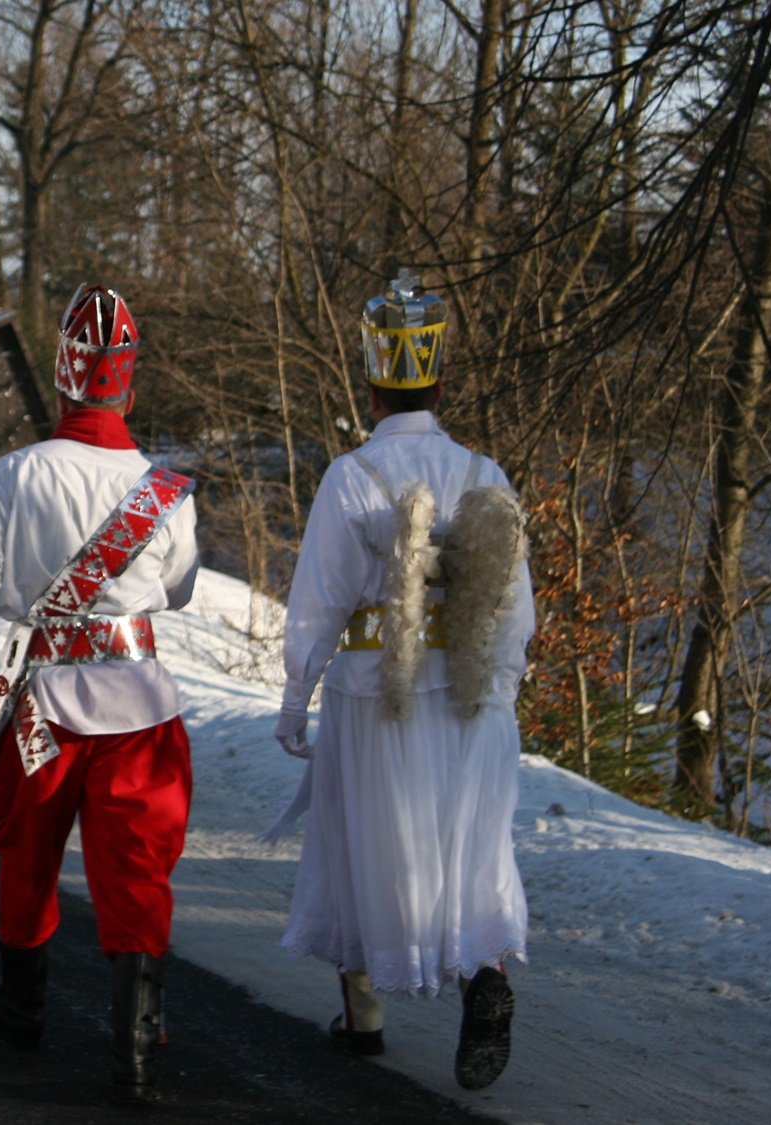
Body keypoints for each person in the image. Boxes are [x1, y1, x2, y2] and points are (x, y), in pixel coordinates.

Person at [0, 284, 199, 1105]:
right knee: (136, 868)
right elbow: (182, 589)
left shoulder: (16, 476)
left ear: (63, 376)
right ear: (127, 380)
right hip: (140, 700)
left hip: (46, 704)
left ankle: (22, 1005)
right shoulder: (164, 490)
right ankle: (134, 1047)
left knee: (27, 852)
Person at [269, 270, 535, 1091]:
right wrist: (504, 686)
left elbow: (319, 602)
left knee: (361, 847)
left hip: (374, 692)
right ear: (440, 380)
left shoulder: (351, 476)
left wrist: (293, 696)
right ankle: (484, 974)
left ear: (372, 381)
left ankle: (365, 1019)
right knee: (469, 845)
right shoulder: (486, 471)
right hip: (471, 694)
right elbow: (516, 609)